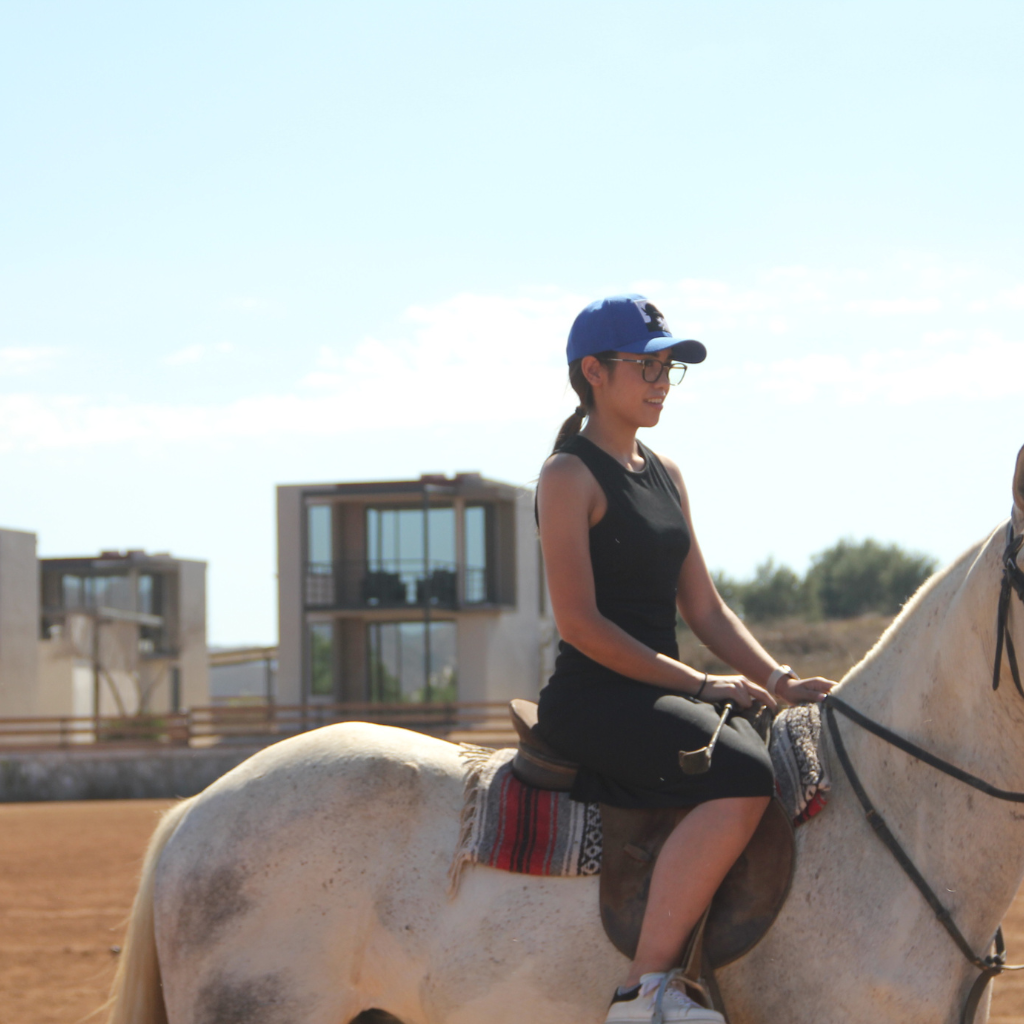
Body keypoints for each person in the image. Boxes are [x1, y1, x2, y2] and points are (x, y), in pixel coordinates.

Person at [534, 294, 835, 1024]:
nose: (662, 381)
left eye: (669, 368)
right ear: (593, 372)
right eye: (646, 366)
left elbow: (705, 609)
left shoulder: (666, 471)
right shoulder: (566, 477)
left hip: (656, 692)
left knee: (778, 742)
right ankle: (643, 991)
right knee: (741, 772)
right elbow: (580, 626)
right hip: (595, 698)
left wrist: (778, 681)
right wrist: (701, 682)